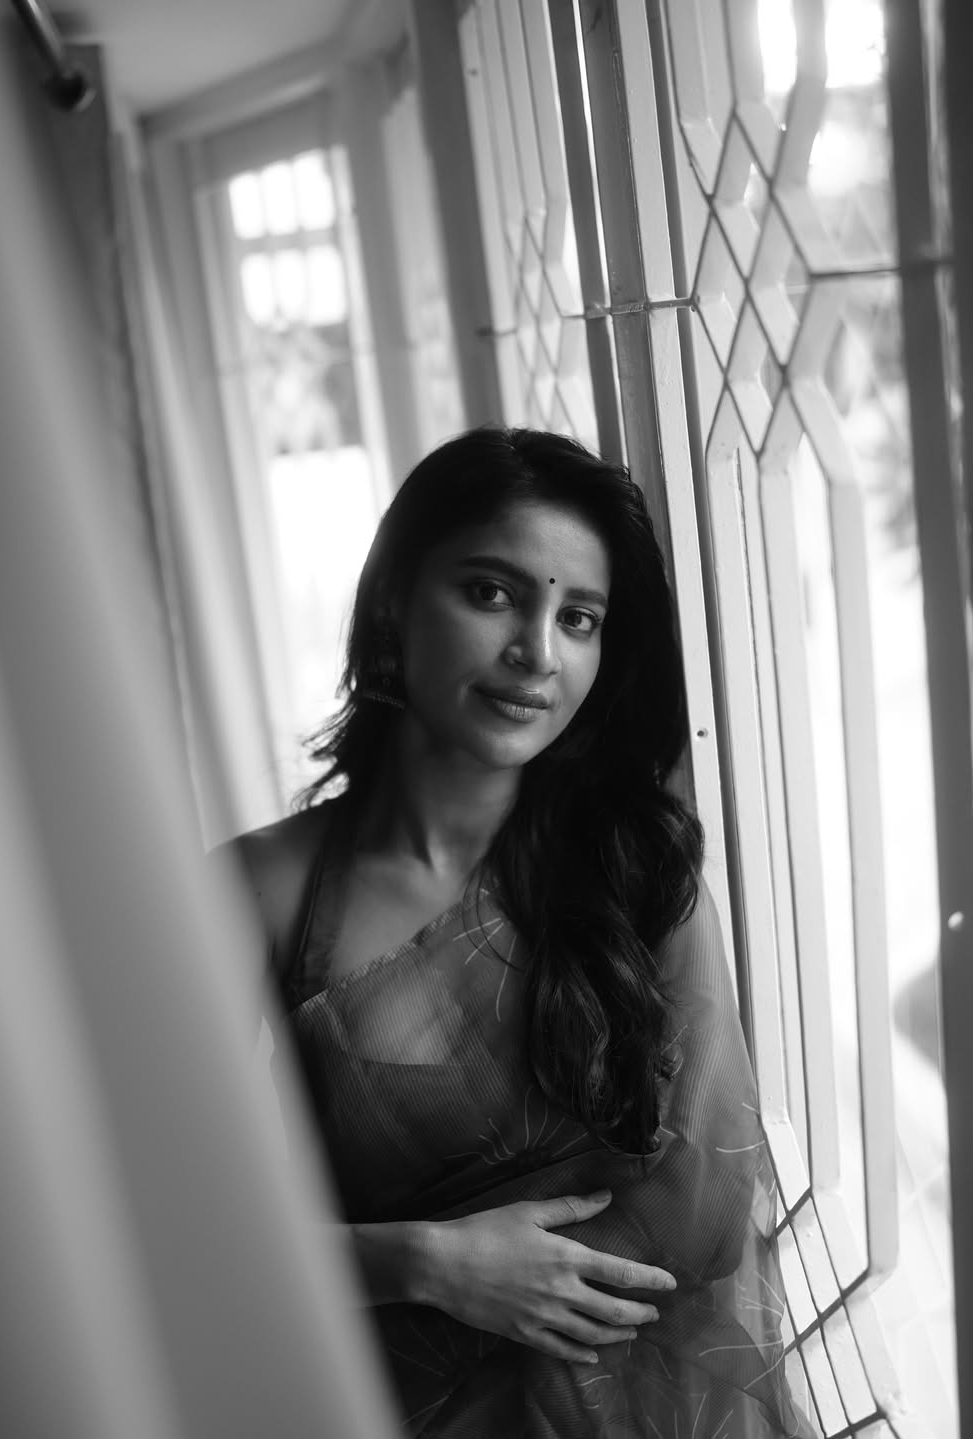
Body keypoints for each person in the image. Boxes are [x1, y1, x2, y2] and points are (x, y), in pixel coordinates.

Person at [230, 428, 813, 1437]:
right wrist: (427, 1260)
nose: (537, 652)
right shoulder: (261, 892)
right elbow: (161, 1211)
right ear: (392, 599)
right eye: (492, 592)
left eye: (578, 617)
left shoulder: (636, 870)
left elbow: (707, 1199)